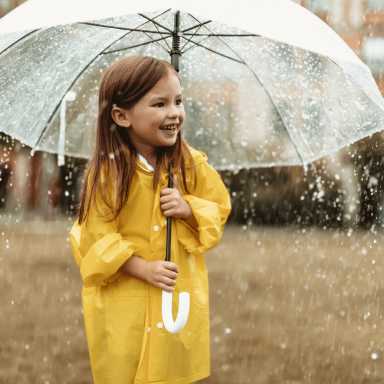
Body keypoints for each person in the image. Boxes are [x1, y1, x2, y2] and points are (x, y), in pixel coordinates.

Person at [69, 55, 231, 384]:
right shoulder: (107, 175)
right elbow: (95, 239)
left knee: (171, 373)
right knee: (128, 371)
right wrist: (143, 268)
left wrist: (189, 209)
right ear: (121, 116)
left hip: (175, 302)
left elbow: (219, 206)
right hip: (125, 306)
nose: (174, 113)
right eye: (159, 104)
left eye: (178, 101)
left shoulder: (190, 165)